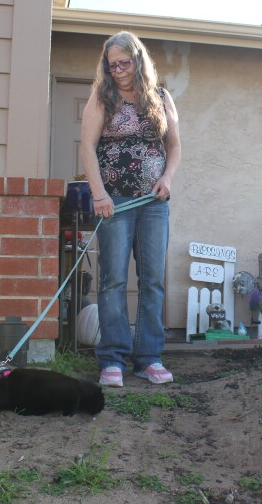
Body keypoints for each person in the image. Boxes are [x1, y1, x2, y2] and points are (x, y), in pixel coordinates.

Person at [79, 31, 182, 387]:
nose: (119, 70)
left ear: (138, 61)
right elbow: (88, 148)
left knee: (152, 281)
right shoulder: (102, 96)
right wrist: (99, 195)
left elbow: (175, 148)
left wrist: (167, 178)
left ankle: (149, 358)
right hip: (114, 203)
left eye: (125, 63)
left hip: (154, 203)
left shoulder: (160, 97)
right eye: (112, 65)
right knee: (114, 280)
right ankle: (112, 359)